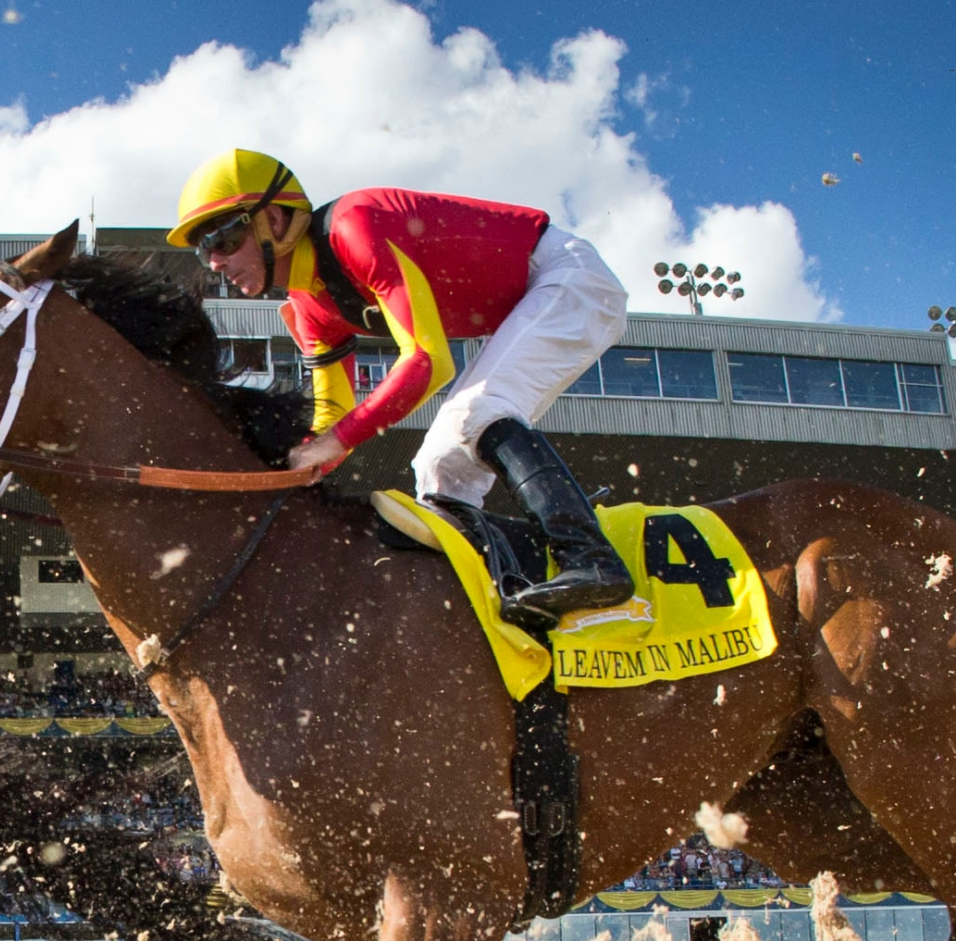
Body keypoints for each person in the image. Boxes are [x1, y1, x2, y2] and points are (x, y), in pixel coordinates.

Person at [167, 149, 633, 628]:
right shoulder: (307, 307)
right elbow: (331, 419)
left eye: (224, 238)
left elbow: (429, 362)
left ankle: (590, 558)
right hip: (532, 298)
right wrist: (290, 465)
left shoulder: (355, 227)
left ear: (274, 219)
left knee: (478, 413)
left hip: (567, 276)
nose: (217, 262)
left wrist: (334, 441)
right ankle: (491, 607)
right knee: (438, 468)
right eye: (205, 250)